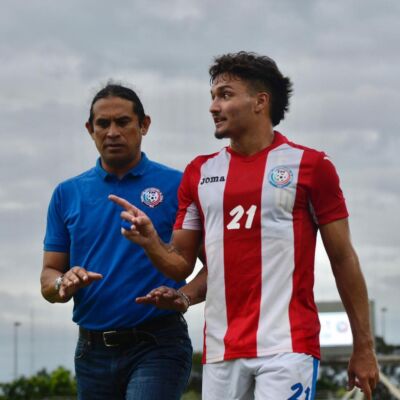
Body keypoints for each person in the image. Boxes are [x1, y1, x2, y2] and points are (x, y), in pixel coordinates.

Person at [109, 52, 380, 400]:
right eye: (212, 96)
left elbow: (343, 259)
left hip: (288, 346)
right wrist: (151, 243)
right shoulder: (199, 173)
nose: (213, 106)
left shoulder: (311, 166)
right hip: (221, 349)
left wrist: (364, 347)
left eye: (225, 95)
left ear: (260, 102)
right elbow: (180, 263)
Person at [40, 83, 194, 400]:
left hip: (158, 344)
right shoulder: (67, 193)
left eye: (123, 122)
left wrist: (183, 296)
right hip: (91, 352)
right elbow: (48, 276)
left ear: (144, 125)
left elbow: (211, 263)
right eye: (103, 124)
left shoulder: (177, 185)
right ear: (90, 129)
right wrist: (62, 282)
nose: (112, 132)